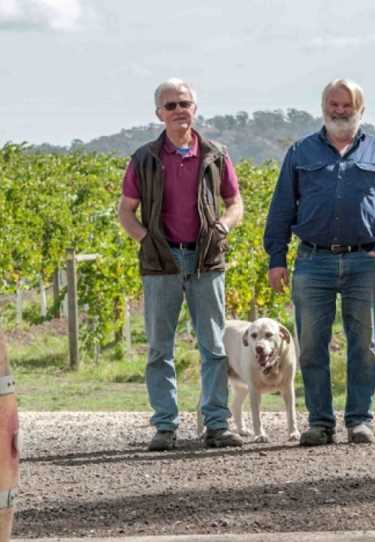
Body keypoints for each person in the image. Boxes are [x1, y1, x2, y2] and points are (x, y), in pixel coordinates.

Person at [263, 79, 375, 446]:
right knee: (311, 345)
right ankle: (320, 423)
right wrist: (276, 259)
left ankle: (359, 420)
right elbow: (281, 208)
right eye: (334, 103)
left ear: (361, 109)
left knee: (364, 345)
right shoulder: (300, 152)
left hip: (364, 262)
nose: (340, 110)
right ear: (323, 106)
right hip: (313, 261)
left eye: (347, 105)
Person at [118, 78, 245, 451]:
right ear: (158, 113)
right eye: (170, 105)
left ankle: (217, 425)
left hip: (206, 258)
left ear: (195, 108)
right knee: (160, 348)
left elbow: (235, 203)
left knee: (214, 346)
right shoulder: (143, 158)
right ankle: (165, 426)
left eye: (184, 104)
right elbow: (126, 211)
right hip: (162, 261)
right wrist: (148, 240)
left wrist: (223, 225)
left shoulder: (215, 154)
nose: (178, 111)